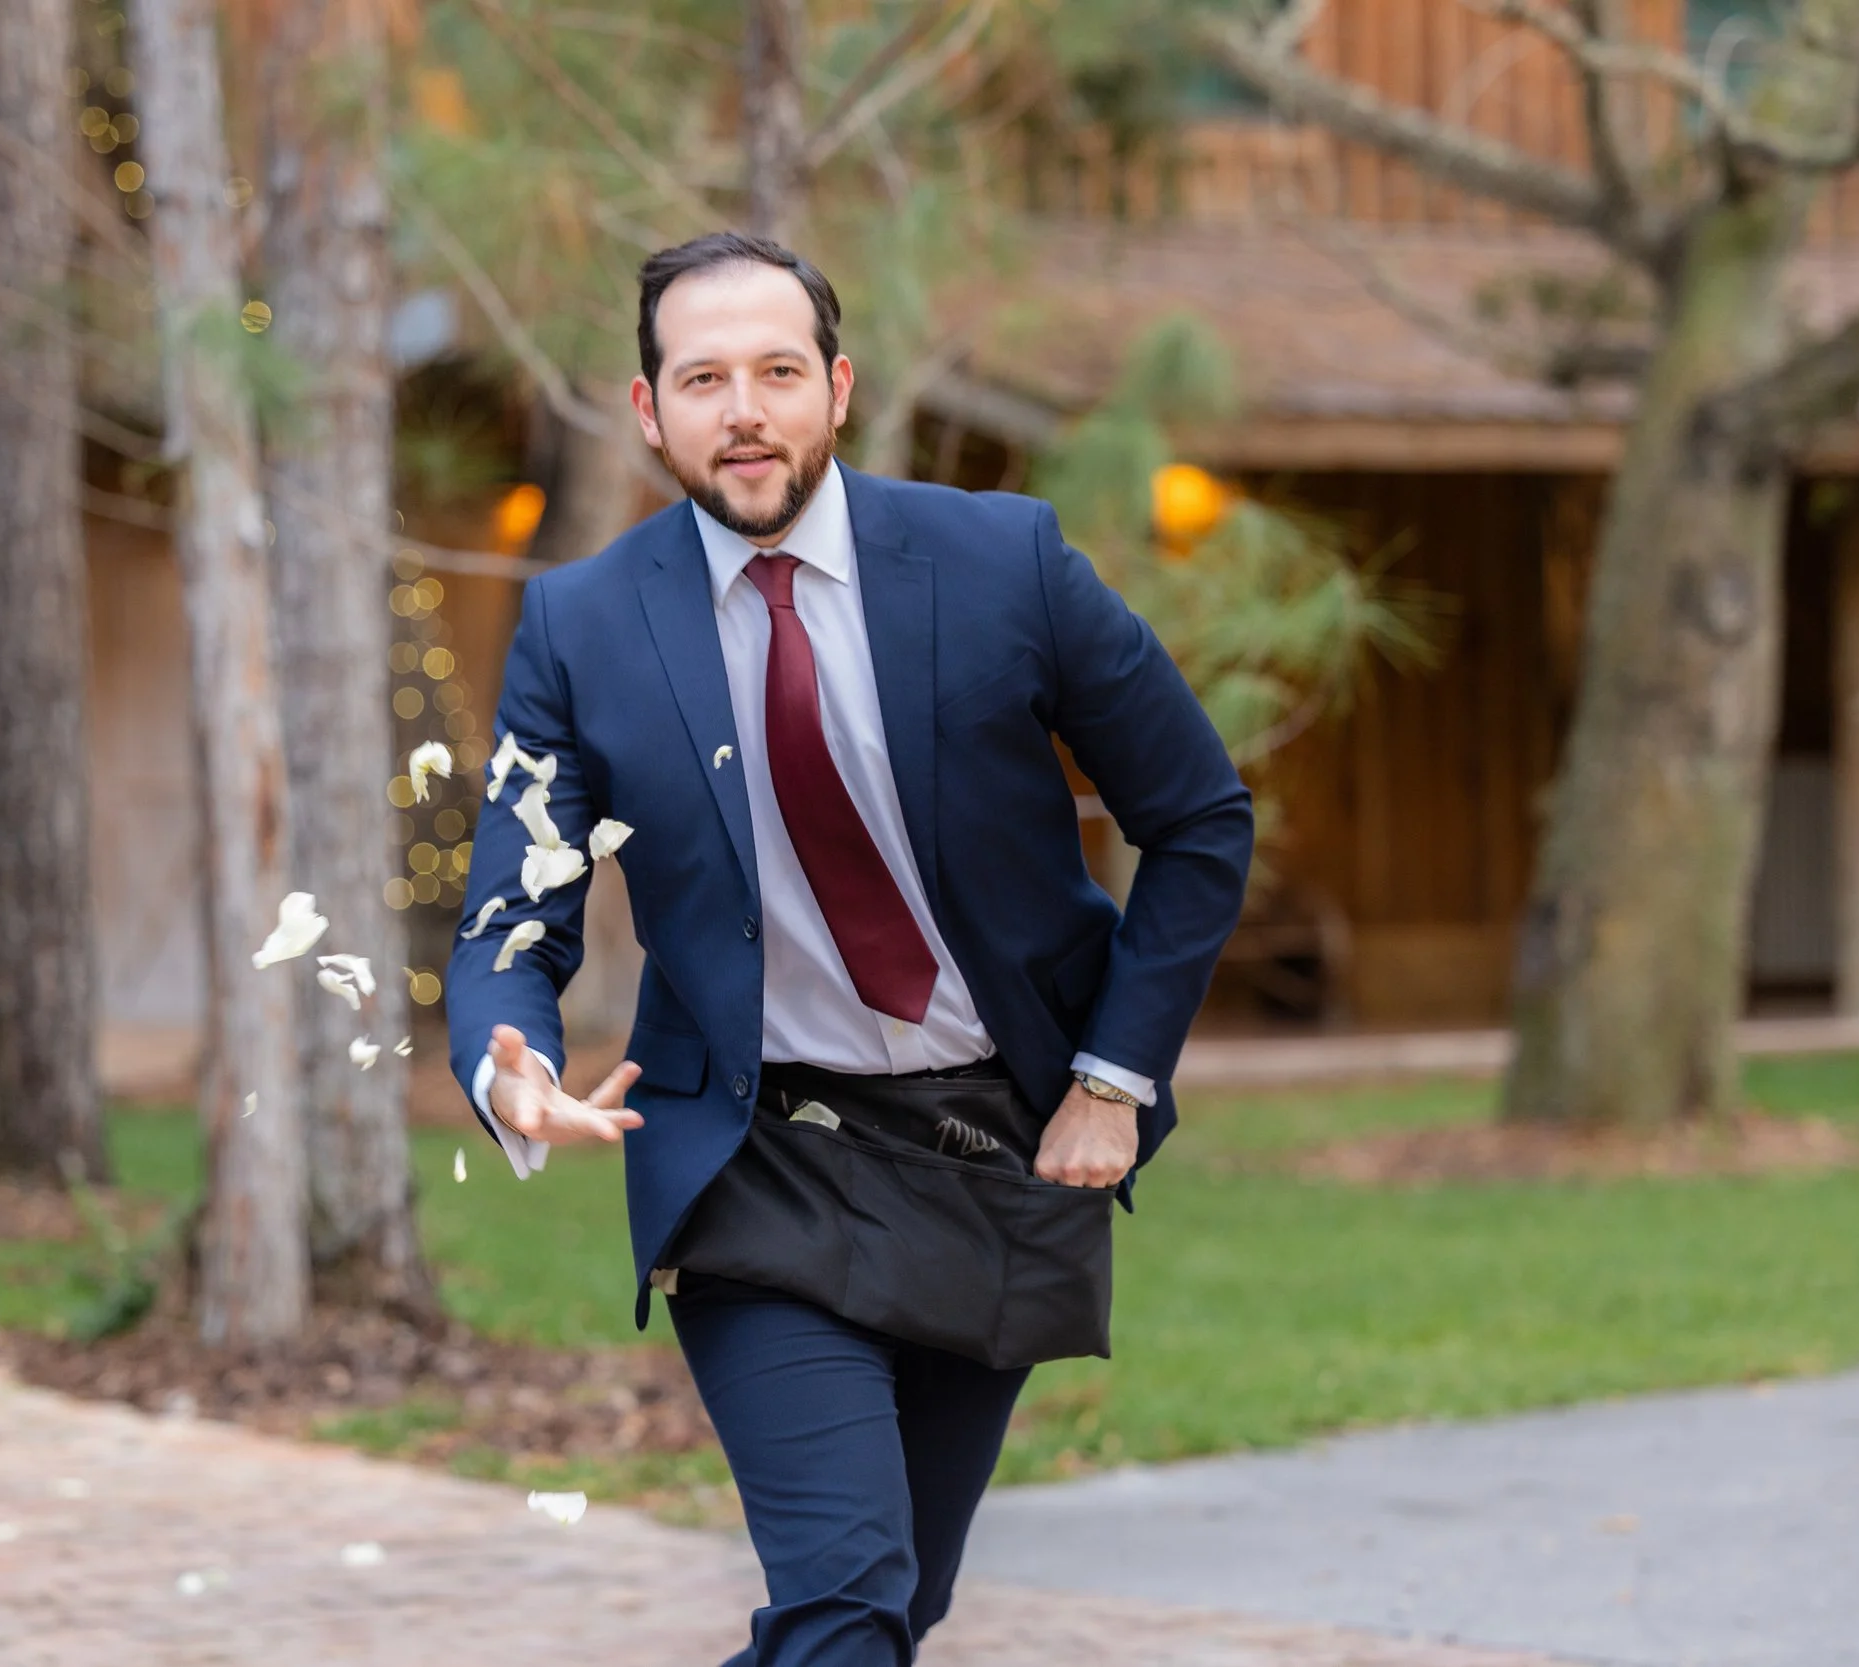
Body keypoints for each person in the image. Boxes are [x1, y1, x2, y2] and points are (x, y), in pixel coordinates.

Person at [442, 232, 1252, 1666]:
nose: (741, 408)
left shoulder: (1005, 561)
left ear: (837, 388)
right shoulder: (580, 624)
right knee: (846, 1599)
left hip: (996, 1149)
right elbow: (516, 903)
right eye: (702, 378)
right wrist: (510, 1068)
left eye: (774, 371)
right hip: (758, 1161)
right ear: (649, 411)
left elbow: (1198, 817)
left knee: (892, 1605)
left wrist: (1112, 1079)